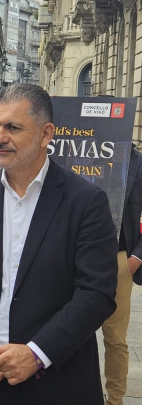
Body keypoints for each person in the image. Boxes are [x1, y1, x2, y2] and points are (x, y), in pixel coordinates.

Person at [0, 83, 118, 405]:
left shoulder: (86, 202)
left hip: (58, 385)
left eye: (12, 127)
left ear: (46, 134)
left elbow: (96, 294)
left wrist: (36, 354)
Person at [102, 143, 142, 405]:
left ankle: (114, 401)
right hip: (73, 258)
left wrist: (136, 258)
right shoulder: (70, 148)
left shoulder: (136, 160)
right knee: (69, 332)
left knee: (115, 339)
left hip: (118, 259)